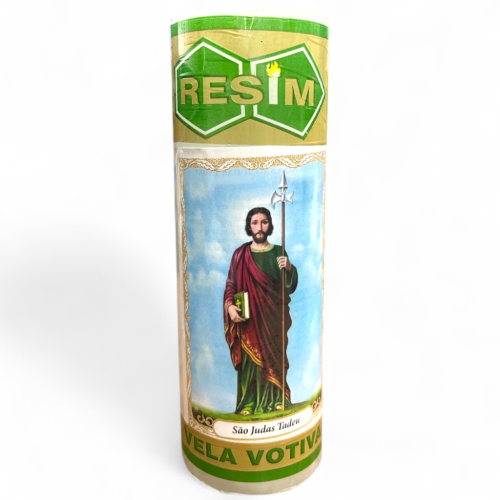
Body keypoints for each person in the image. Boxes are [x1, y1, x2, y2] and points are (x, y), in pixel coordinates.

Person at [223, 207, 298, 415]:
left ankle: (277, 399)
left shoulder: (279, 252)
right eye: (254, 222)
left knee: (275, 358)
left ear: (269, 225)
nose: (259, 227)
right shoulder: (240, 255)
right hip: (250, 320)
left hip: (273, 319)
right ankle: (248, 403)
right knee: (250, 363)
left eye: (264, 222)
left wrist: (289, 268)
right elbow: (231, 284)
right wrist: (230, 306)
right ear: (249, 226)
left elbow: (288, 287)